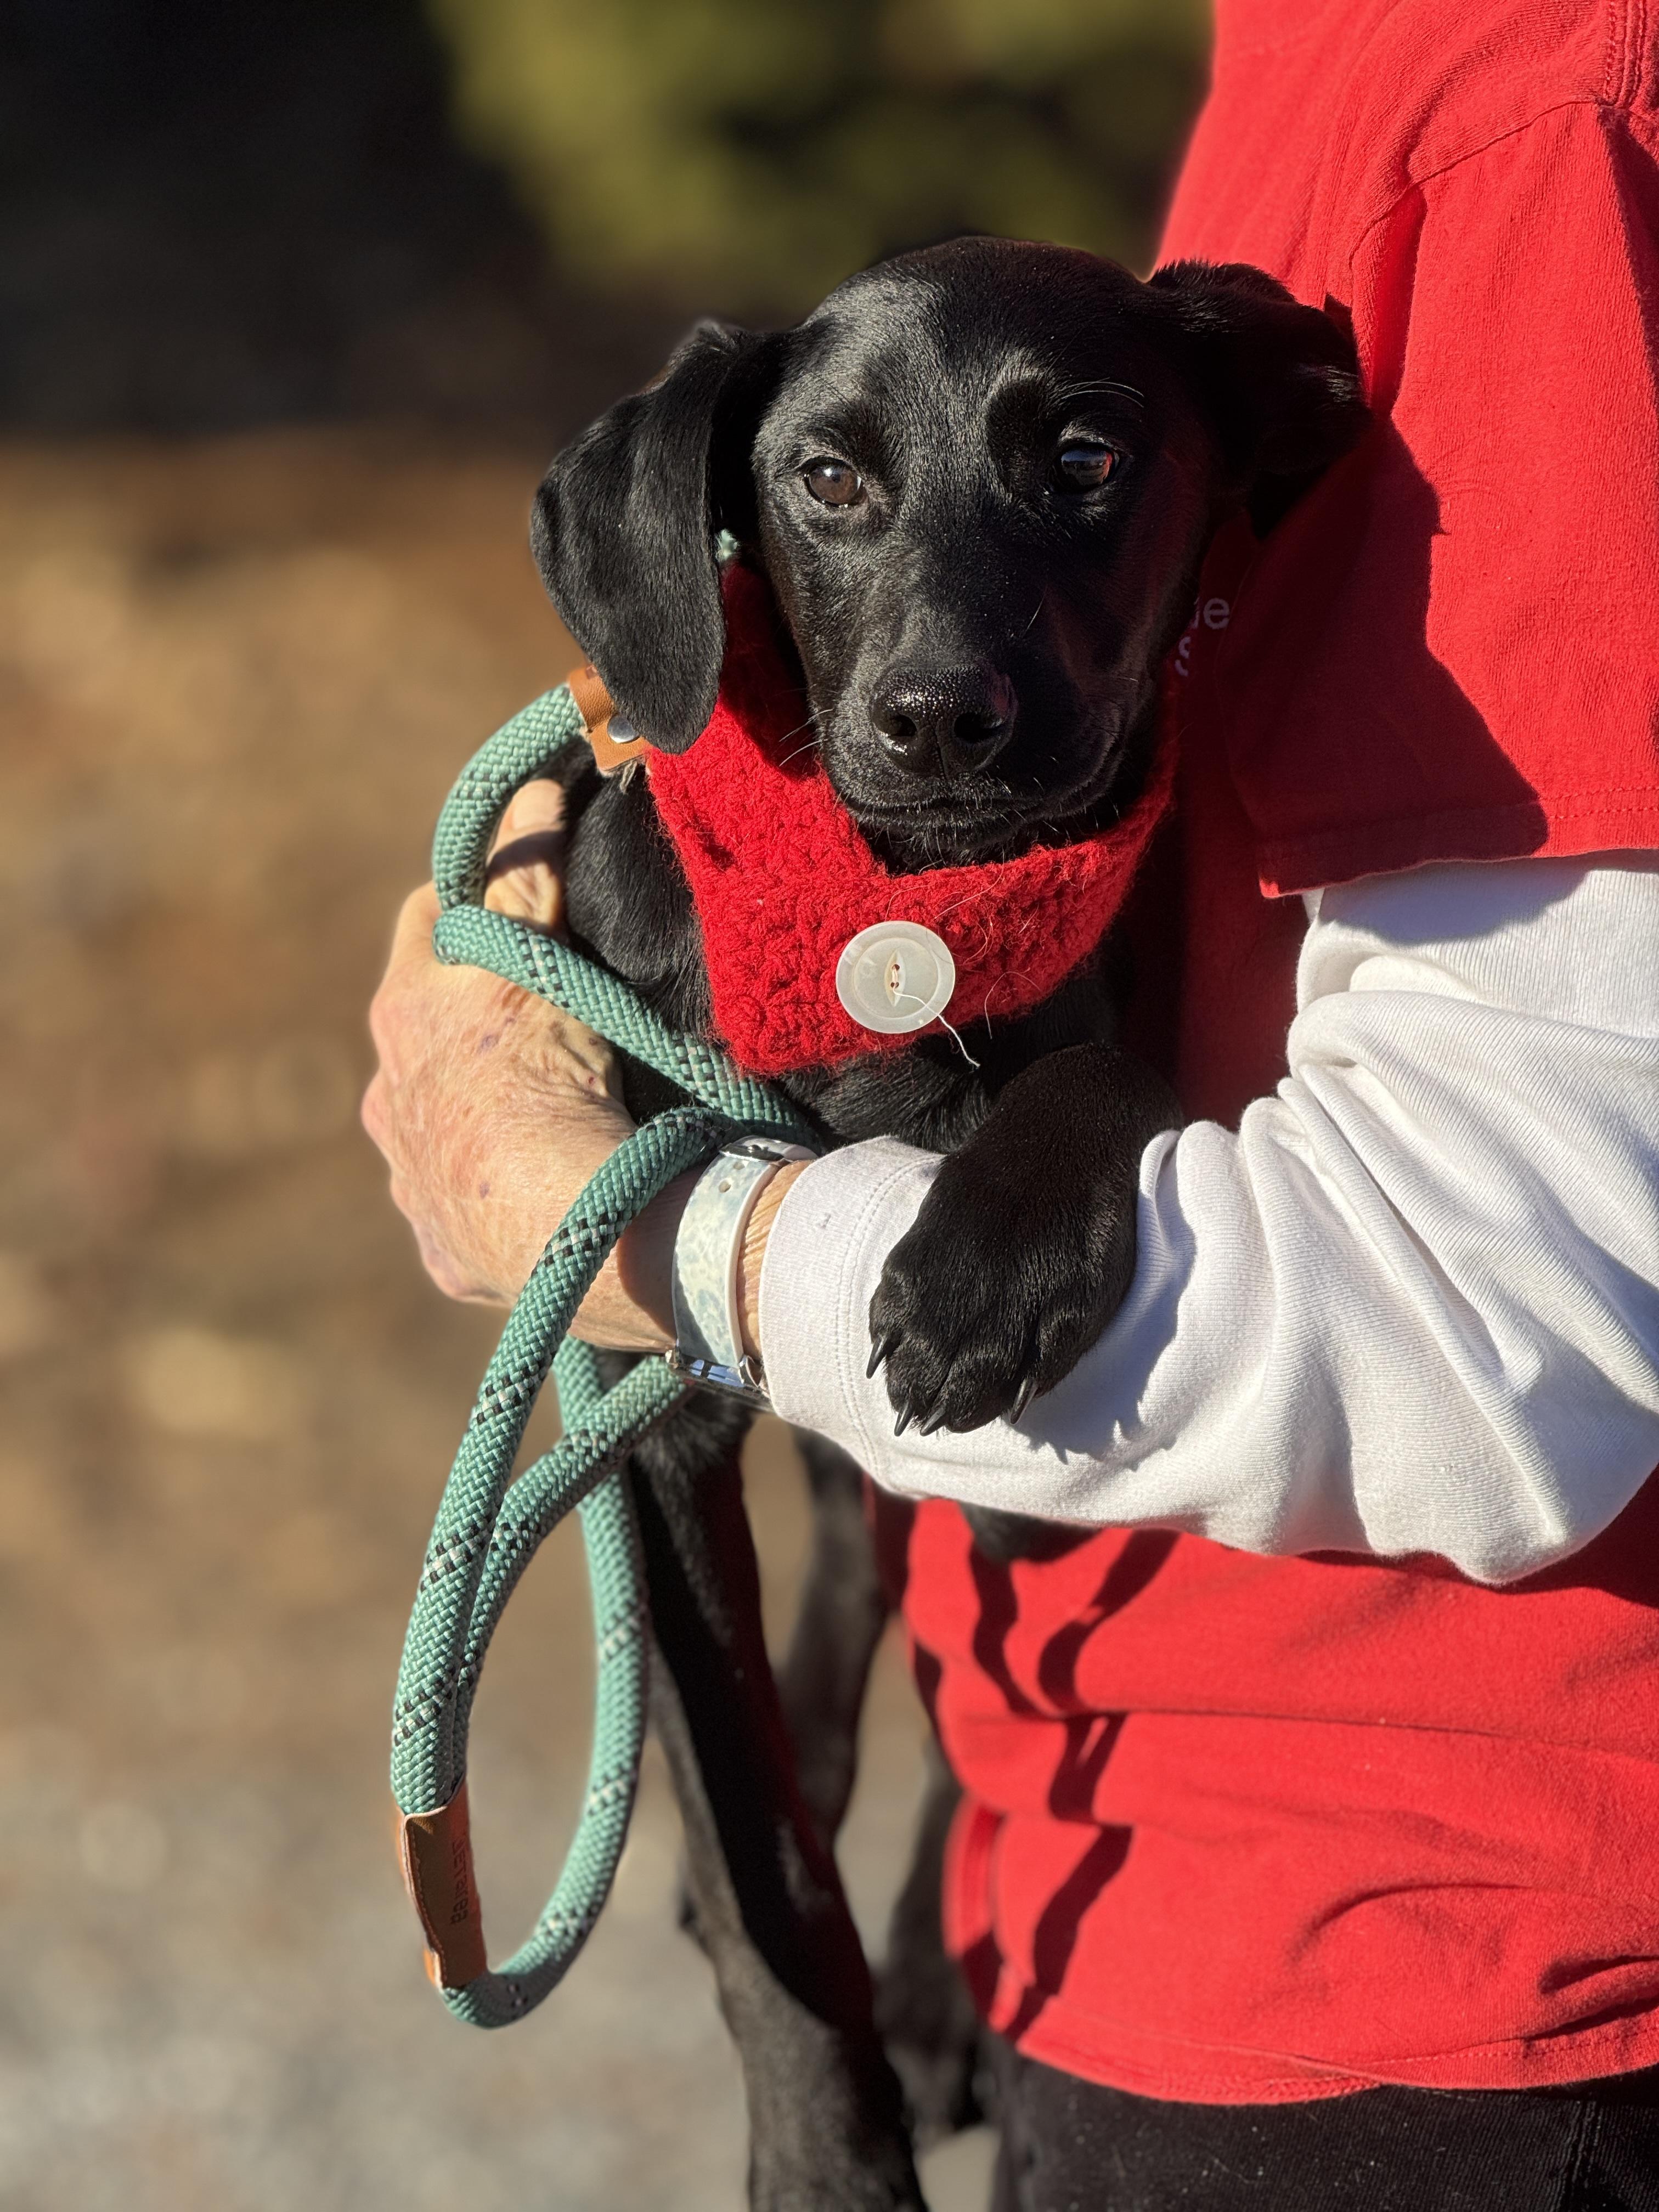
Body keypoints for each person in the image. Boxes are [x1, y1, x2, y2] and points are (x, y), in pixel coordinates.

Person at [363, 1, 1659, 2202]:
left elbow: (1487, 1316)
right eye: (839, 494)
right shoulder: (1301, 72)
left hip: (1412, 1983)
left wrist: (645, 1228)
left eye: (1074, 473)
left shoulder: (1539, 118)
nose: (942, 676)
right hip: (1087, 1872)